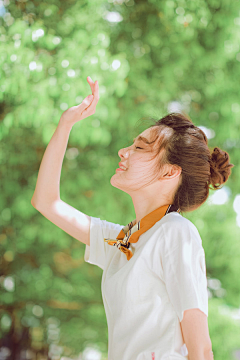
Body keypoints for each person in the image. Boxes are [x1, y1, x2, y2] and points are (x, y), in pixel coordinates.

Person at [31, 77, 234, 360]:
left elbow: (200, 349)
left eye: (139, 147)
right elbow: (46, 202)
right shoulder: (125, 239)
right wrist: (66, 124)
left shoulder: (176, 232)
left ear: (169, 173)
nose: (123, 151)